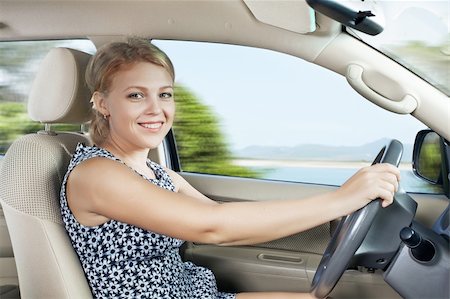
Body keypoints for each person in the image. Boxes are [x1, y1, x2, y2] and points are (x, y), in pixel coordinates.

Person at [60, 38, 400, 299]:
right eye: (136, 95)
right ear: (102, 103)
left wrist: (337, 213)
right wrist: (342, 199)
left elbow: (221, 215)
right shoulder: (97, 174)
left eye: (165, 94)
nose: (156, 109)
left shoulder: (155, 172)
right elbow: (213, 228)